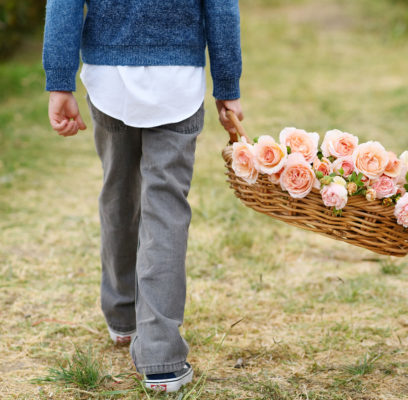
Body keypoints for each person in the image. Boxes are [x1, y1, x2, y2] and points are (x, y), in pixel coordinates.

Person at [43, 0, 243, 392]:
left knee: (118, 193)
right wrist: (228, 83)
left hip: (109, 77)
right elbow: (221, 7)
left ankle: (122, 317)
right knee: (166, 210)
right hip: (177, 79)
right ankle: (161, 356)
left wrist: (59, 81)